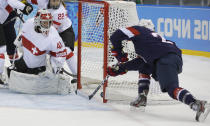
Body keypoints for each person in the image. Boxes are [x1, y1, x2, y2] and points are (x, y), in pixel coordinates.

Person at [107, 19, 210, 122]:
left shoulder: (139, 30)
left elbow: (116, 35)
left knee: (171, 89)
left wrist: (119, 55)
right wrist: (122, 68)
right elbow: (141, 62)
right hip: (173, 60)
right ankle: (142, 97)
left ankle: (197, 104)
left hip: (164, 60)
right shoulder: (155, 40)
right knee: (144, 67)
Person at [8, 9, 71, 95]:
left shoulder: (53, 37)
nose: (47, 26)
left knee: (28, 87)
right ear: (37, 21)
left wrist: (55, 69)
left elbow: (60, 53)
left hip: (37, 68)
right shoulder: (29, 23)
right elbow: (22, 34)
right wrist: (19, 40)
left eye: (49, 23)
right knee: (10, 73)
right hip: (24, 61)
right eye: (44, 23)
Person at [26, 0, 77, 83]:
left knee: (66, 51)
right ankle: (54, 72)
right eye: (53, 1)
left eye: (58, 1)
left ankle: (76, 75)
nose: (56, 3)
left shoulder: (60, 12)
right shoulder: (42, 2)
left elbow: (51, 33)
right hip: (48, 30)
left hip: (64, 32)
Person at [0, 0, 33, 84]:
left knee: (12, 48)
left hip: (7, 21)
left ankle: (17, 72)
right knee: (2, 48)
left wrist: (25, 4)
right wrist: (24, 7)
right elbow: (11, 1)